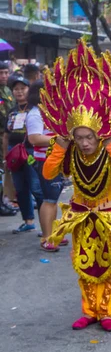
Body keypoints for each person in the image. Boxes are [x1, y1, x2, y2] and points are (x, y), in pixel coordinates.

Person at [42, 40, 111, 332]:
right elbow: (49, 174)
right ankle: (89, 310)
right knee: (85, 264)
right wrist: (61, 148)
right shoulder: (68, 148)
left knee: (109, 263)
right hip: (80, 215)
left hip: (110, 216)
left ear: (98, 133)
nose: (85, 143)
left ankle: (107, 311)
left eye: (89, 137)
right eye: (80, 137)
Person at [26, 80, 66, 252]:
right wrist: (57, 139)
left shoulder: (49, 113)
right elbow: (34, 138)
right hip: (45, 161)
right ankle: (46, 238)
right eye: (51, 91)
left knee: (53, 198)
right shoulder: (35, 114)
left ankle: (53, 234)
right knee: (49, 200)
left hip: (55, 160)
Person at [4, 75, 43, 233]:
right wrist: (4, 156)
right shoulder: (12, 111)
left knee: (36, 187)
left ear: (29, 90)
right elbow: (6, 135)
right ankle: (28, 221)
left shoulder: (35, 110)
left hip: (31, 152)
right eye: (16, 89)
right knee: (20, 188)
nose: (19, 92)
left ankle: (45, 226)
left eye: (22, 88)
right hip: (14, 152)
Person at [0, 61, 18, 216]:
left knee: (4, 170)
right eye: (1, 73)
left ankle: (4, 200)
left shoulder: (7, 90)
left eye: (6, 72)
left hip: (7, 134)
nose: (4, 76)